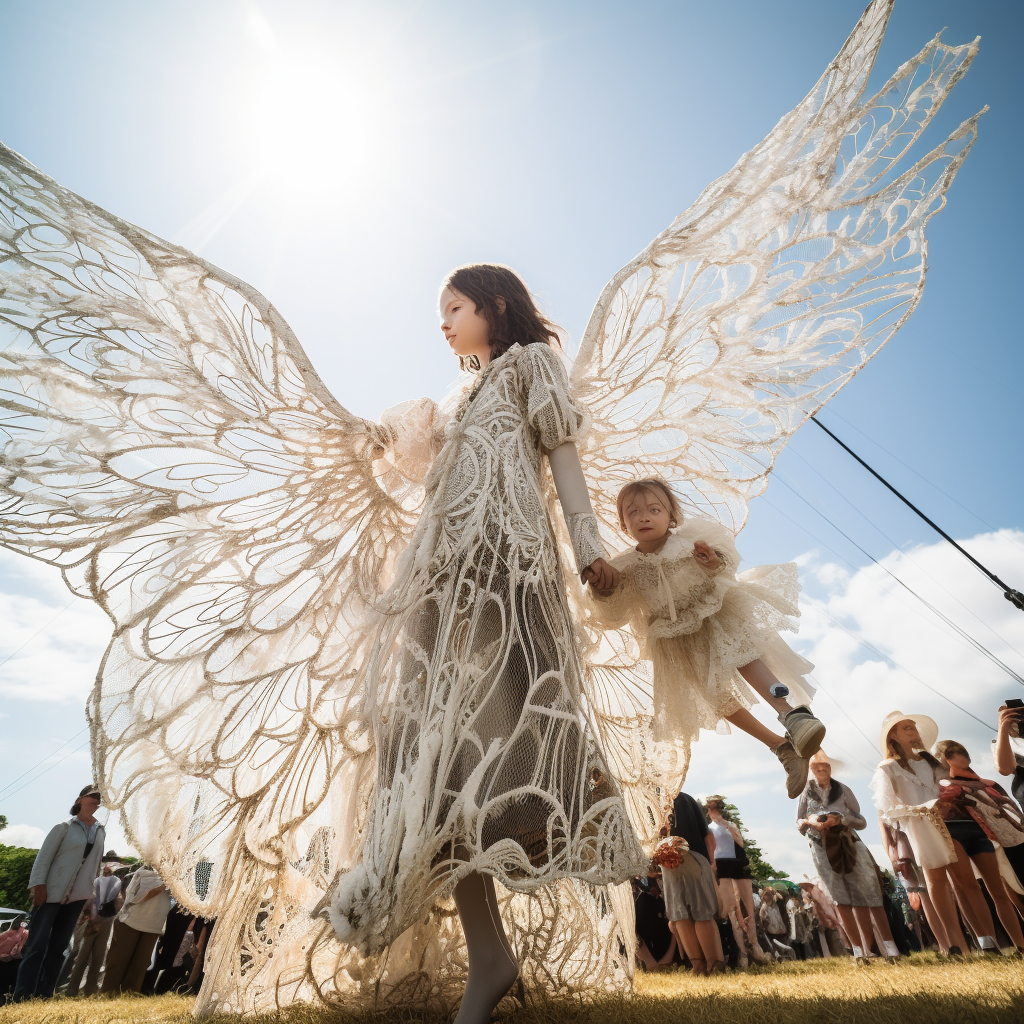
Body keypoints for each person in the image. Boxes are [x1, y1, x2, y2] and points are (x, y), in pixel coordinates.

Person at [0, 5, 981, 1012]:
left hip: (513, 574)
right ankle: (481, 950)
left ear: (495, 306)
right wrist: (379, 464)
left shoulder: (527, 371)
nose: (443, 324)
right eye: (439, 315)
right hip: (440, 573)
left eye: (454, 308)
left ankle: (527, 919)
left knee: (497, 748)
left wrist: (593, 547)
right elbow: (434, 486)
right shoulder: (456, 401)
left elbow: (560, 461)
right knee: (423, 756)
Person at [588, 478, 825, 798]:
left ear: (671, 517)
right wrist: (603, 589)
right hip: (675, 637)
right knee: (714, 698)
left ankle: (791, 714)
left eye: (654, 510)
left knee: (742, 654)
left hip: (711, 612)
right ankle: (782, 747)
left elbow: (723, 563)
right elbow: (615, 612)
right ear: (623, 523)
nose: (644, 517)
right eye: (633, 512)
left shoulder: (688, 542)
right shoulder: (624, 566)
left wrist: (713, 562)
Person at [871, 711, 1006, 956]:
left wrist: (945, 802)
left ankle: (988, 941)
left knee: (966, 880)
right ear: (893, 736)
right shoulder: (887, 769)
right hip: (920, 827)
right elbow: (888, 809)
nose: (913, 731)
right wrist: (922, 809)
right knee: (936, 883)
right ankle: (955, 945)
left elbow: (948, 788)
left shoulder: (930, 761)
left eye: (913, 727)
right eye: (906, 728)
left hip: (948, 824)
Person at [797, 751, 901, 963]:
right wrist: (810, 821)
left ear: (831, 767)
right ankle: (858, 952)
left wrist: (841, 820)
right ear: (810, 769)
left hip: (849, 843)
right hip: (820, 846)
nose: (821, 769)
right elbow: (798, 822)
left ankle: (890, 949)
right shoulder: (805, 792)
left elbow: (861, 820)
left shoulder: (843, 789)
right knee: (840, 897)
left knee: (870, 894)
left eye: (825, 765)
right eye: (816, 766)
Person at [12, 785, 105, 1001]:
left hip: (77, 896)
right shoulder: (63, 827)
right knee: (36, 946)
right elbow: (43, 858)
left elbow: (95, 866)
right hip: (51, 893)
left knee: (59, 946)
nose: (95, 801)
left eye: (98, 799)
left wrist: (90, 899)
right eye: (92, 796)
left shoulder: (100, 830)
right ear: (80, 799)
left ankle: (44, 994)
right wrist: (38, 887)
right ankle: (22, 995)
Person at [933, 738, 1024, 945]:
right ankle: (994, 943)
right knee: (981, 889)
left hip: (1000, 835)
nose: (964, 756)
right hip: (971, 835)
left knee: (1006, 891)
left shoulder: (984, 783)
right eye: (955, 752)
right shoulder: (943, 784)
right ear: (944, 758)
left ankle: (1019, 943)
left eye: (964, 751)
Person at [661, 790, 725, 976]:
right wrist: (710, 863)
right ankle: (714, 965)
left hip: (666, 859)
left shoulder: (649, 801)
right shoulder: (685, 798)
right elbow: (709, 838)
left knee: (680, 915)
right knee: (702, 912)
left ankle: (697, 967)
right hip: (694, 855)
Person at [702, 797, 769, 963]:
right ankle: (744, 954)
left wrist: (728, 828)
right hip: (722, 869)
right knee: (732, 910)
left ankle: (755, 948)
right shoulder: (708, 828)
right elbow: (711, 852)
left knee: (748, 908)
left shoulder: (729, 825)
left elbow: (740, 843)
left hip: (737, 867)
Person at [101, 866, 172, 993]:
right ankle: (106, 996)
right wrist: (164, 885)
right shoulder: (142, 873)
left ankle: (128, 1001)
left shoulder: (176, 880)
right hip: (129, 922)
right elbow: (136, 897)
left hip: (153, 926)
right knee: (117, 964)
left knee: (139, 967)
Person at [67, 861, 122, 995]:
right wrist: (90, 917)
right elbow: (91, 900)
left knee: (97, 957)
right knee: (82, 957)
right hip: (92, 922)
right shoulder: (97, 881)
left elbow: (117, 904)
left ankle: (89, 990)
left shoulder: (116, 883)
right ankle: (73, 989)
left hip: (105, 921)